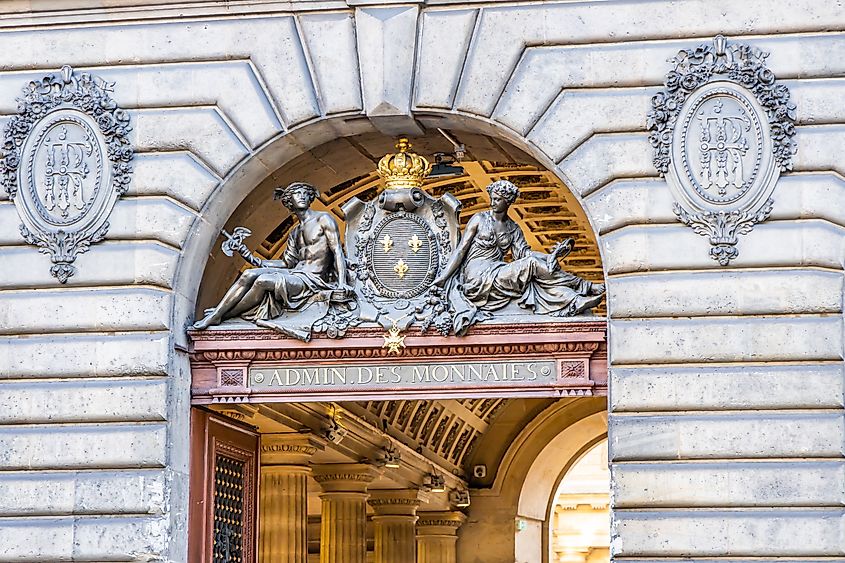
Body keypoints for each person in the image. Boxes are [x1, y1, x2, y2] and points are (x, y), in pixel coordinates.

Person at [433, 179, 603, 329]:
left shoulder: (513, 228)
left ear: (508, 202)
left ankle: (573, 299)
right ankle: (584, 287)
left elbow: (524, 253)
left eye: (498, 199)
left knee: (535, 281)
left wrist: (551, 256)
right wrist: (443, 278)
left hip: (497, 272)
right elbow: (461, 250)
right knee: (532, 264)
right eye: (492, 197)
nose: (493, 202)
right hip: (477, 276)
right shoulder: (479, 219)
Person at [193, 182, 353, 339]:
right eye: (298, 193)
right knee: (248, 274)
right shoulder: (295, 232)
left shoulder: (323, 219)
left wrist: (341, 283)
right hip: (296, 274)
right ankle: (218, 313)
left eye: (305, 193)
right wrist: (254, 259)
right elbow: (286, 263)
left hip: (314, 281)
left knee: (263, 281)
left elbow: (337, 250)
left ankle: (221, 314)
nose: (303, 196)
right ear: (289, 201)